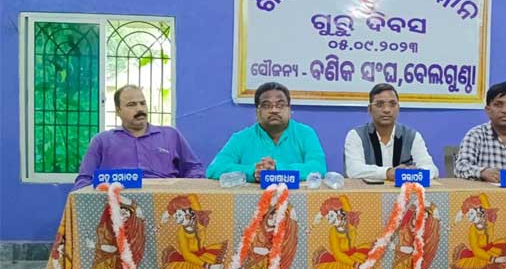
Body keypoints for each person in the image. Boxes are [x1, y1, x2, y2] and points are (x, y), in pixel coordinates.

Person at [73, 85, 204, 190]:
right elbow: (84, 181)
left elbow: (194, 169)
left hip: (164, 203)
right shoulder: (102, 141)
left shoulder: (170, 135)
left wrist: (185, 189)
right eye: (131, 105)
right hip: (115, 205)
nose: (139, 109)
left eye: (142, 103)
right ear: (118, 111)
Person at [206, 82, 326, 182]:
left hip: (297, 201)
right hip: (250, 202)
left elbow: (318, 167)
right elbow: (215, 169)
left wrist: (278, 170)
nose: (274, 110)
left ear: (289, 110)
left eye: (280, 105)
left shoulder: (305, 134)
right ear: (257, 112)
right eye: (267, 105)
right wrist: (253, 171)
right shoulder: (241, 138)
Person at [344, 83, 439, 180]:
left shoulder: (412, 136)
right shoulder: (356, 135)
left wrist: (416, 172)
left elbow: (432, 169)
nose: (386, 110)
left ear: (398, 108)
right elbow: (353, 170)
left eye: (392, 104)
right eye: (379, 104)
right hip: (368, 190)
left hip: (404, 189)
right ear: (370, 109)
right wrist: (388, 173)